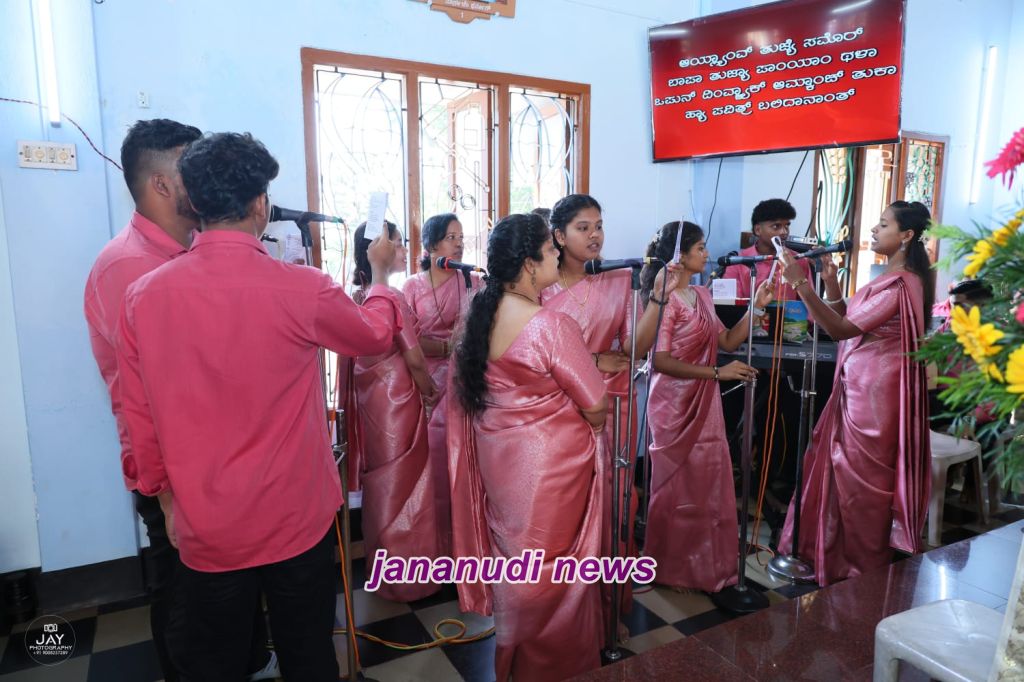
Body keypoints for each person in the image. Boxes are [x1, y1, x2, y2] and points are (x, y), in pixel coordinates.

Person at [116, 132, 403, 681]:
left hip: (207, 521)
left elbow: (140, 418)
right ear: (259, 205)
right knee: (308, 655)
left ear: (193, 201)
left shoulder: (144, 296)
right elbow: (373, 336)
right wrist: (383, 278)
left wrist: (166, 501)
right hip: (295, 516)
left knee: (217, 662)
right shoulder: (302, 288)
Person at [83, 119, 275, 682]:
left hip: (226, 459)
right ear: (163, 184)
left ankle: (246, 662)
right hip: (176, 471)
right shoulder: (129, 267)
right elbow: (144, 397)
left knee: (231, 598)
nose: (205, 176)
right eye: (192, 166)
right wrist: (166, 495)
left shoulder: (192, 251)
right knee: (188, 606)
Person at [449, 213, 607, 681]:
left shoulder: (480, 317)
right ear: (529, 263)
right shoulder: (549, 326)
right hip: (549, 473)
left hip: (500, 466)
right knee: (553, 571)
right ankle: (552, 668)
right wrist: (584, 423)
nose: (558, 253)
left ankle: (516, 660)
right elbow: (596, 403)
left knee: (518, 565)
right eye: (550, 248)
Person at [778, 200, 934, 585]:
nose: (874, 230)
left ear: (906, 235)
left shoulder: (903, 283)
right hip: (860, 385)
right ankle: (832, 556)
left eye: (883, 224)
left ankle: (860, 569)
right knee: (841, 473)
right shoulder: (889, 276)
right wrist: (830, 283)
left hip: (876, 398)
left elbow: (841, 330)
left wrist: (800, 282)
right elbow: (850, 318)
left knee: (859, 483)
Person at [540, 193, 668, 633]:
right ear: (559, 236)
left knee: (614, 507)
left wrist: (657, 301)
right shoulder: (540, 283)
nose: (595, 235)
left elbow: (634, 349)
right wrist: (593, 359)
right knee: (564, 513)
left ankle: (606, 609)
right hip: (554, 410)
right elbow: (531, 351)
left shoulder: (616, 280)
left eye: (599, 226)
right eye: (583, 228)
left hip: (611, 407)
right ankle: (563, 620)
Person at [641, 221, 773, 593]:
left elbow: (727, 340)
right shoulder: (665, 302)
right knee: (676, 487)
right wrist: (717, 373)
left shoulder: (701, 294)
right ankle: (671, 567)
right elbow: (660, 361)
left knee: (706, 484)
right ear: (679, 256)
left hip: (705, 399)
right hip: (673, 403)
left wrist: (755, 307)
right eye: (700, 247)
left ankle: (704, 565)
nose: (707, 253)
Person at [347, 221, 441, 602]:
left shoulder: (358, 295)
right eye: (398, 244)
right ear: (378, 251)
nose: (404, 250)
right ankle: (409, 576)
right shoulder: (390, 297)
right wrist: (430, 391)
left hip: (372, 403)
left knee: (383, 483)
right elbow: (414, 357)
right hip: (398, 399)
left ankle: (384, 570)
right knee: (406, 483)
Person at [401, 213, 482, 553]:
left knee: (465, 462)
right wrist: (446, 347)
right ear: (432, 244)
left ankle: (467, 545)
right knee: (433, 466)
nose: (459, 244)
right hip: (425, 384)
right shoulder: (411, 286)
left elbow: (481, 333)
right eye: (451, 237)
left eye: (461, 237)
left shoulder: (473, 281)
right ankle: (434, 548)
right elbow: (407, 339)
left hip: (464, 381)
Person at [722, 198, 815, 301]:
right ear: (758, 230)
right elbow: (731, 306)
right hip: (751, 312)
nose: (784, 232)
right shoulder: (738, 262)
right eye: (776, 226)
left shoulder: (798, 261)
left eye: (786, 226)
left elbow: (810, 304)